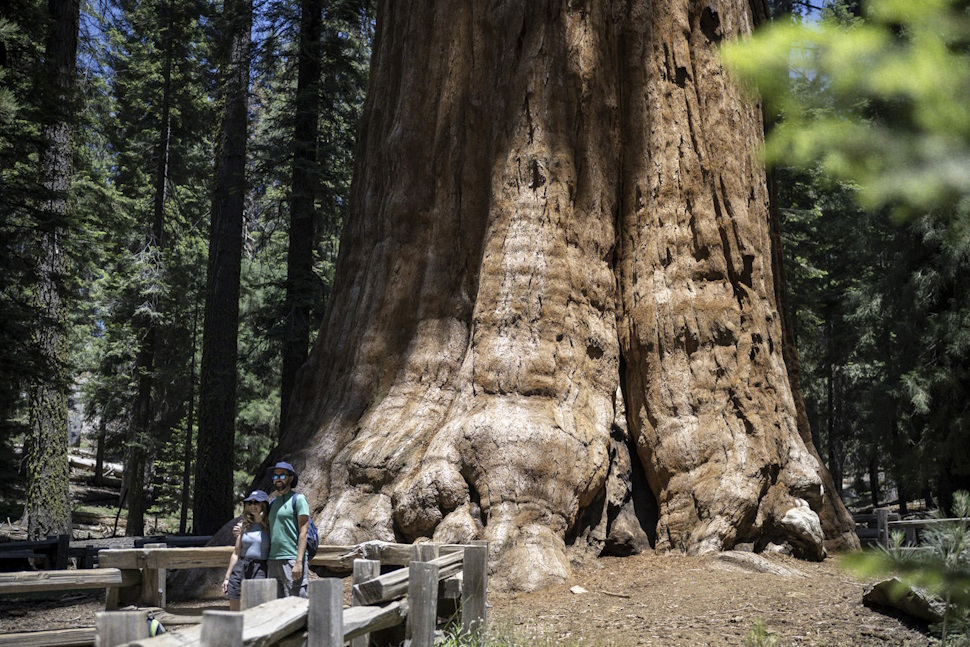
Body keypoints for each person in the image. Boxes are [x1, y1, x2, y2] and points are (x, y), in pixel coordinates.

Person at [267, 461, 310, 598]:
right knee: (276, 604)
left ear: (290, 478)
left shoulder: (299, 499)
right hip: (274, 559)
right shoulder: (273, 502)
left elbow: (304, 531)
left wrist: (299, 562)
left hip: (292, 558)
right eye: (275, 476)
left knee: (298, 602)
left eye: (282, 475)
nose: (278, 479)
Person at [222, 490, 271, 610]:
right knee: (234, 596)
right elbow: (236, 553)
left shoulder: (270, 526)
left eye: (256, 502)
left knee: (257, 604)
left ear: (263, 505)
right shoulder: (244, 525)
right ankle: (236, 627)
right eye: (250, 503)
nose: (252, 506)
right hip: (242, 565)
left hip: (260, 567)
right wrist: (227, 577)